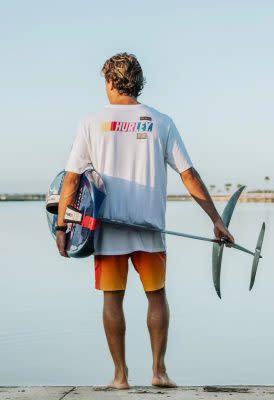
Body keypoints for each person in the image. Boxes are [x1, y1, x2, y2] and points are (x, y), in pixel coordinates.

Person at [56, 52, 234, 390]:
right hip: (152, 228)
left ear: (110, 82)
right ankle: (159, 372)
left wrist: (62, 226)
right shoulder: (161, 121)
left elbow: (70, 180)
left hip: (106, 230)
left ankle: (120, 377)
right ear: (138, 82)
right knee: (156, 295)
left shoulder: (91, 122)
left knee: (112, 298)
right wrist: (216, 219)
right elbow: (189, 175)